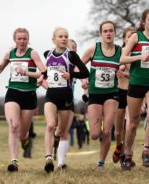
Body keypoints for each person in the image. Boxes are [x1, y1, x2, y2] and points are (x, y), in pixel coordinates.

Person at [120, 8, 149, 170]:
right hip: (136, 83)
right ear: (143, 22)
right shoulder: (136, 37)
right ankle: (127, 155)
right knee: (133, 123)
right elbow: (122, 58)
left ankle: (146, 150)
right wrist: (139, 56)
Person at [0, 28, 46, 172]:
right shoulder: (10, 54)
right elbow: (2, 66)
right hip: (13, 93)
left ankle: (25, 140)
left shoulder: (33, 53)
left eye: (24, 39)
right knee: (13, 126)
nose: (22, 41)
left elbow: (43, 72)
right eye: (19, 39)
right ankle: (14, 161)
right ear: (15, 40)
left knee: (23, 133)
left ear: (28, 39)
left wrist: (28, 73)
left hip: (29, 95)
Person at [42, 27, 89, 173]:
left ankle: (61, 161)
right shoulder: (47, 54)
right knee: (50, 125)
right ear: (54, 39)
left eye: (66, 36)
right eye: (61, 36)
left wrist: (71, 75)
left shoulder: (72, 56)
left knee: (62, 131)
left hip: (66, 98)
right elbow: (46, 72)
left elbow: (85, 72)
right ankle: (49, 158)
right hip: (51, 96)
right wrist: (40, 77)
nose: (63, 38)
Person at [81, 20, 122, 168]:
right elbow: (80, 67)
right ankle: (92, 122)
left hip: (112, 93)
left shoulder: (120, 51)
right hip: (95, 94)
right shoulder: (93, 50)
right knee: (94, 135)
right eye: (105, 31)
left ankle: (101, 163)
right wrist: (84, 79)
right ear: (101, 34)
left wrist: (124, 73)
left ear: (115, 33)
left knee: (107, 131)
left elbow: (131, 72)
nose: (108, 33)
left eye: (111, 30)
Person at [112, 27, 135, 164]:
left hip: (133, 92)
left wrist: (126, 73)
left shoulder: (138, 54)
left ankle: (127, 155)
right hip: (119, 91)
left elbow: (140, 76)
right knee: (118, 129)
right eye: (129, 36)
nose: (131, 38)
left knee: (130, 125)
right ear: (124, 39)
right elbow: (113, 68)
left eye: (133, 35)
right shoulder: (118, 53)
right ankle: (119, 146)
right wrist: (118, 70)